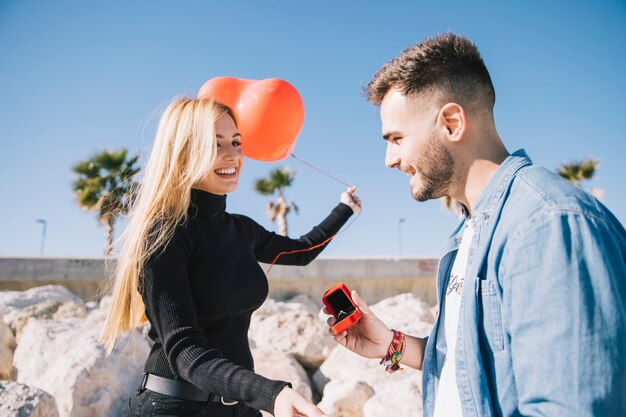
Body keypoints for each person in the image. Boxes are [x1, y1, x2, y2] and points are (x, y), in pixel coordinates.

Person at [325, 33, 626, 417]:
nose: (389, 159)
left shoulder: (548, 226)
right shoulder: (470, 234)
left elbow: (571, 408)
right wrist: (393, 345)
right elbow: (468, 367)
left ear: (451, 123)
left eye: (397, 138)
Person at [99, 97, 361, 417]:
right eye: (216, 143)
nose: (233, 155)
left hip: (239, 405)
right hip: (173, 407)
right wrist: (271, 394)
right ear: (183, 152)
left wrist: (345, 209)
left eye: (236, 142)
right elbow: (184, 351)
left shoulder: (241, 230)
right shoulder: (163, 235)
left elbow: (302, 250)